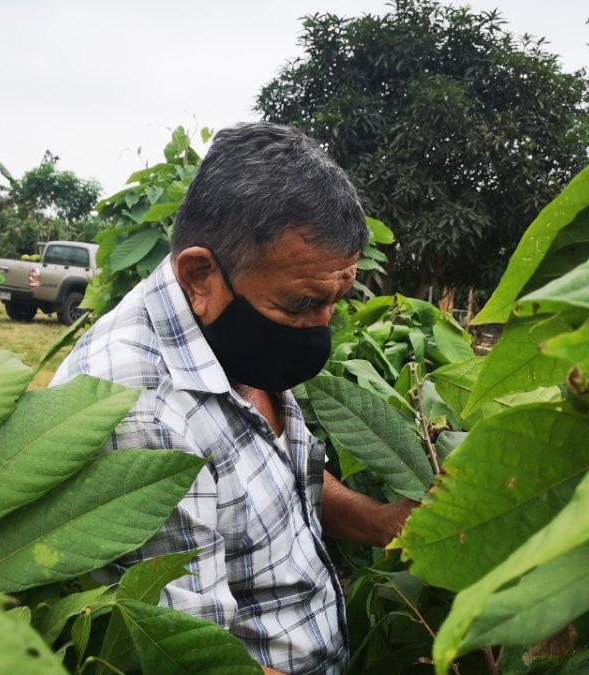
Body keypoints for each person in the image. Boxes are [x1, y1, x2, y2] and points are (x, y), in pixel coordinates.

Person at [51, 122, 415, 675]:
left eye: (335, 301)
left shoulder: (229, 328)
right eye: (302, 304)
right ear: (200, 275)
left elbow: (276, 476)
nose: (319, 328)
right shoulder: (143, 411)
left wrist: (378, 521)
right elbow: (201, 663)